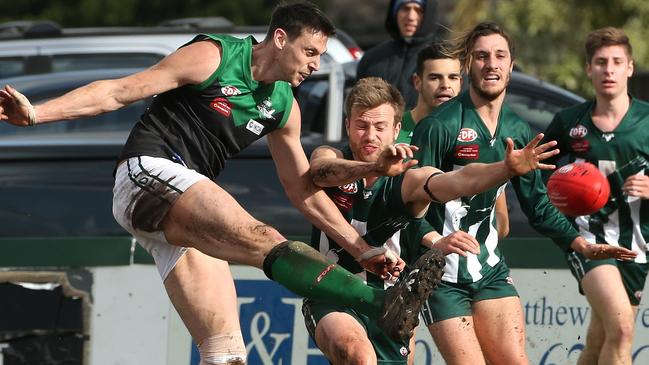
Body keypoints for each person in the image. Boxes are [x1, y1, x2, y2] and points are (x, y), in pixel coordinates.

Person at [0, 3, 444, 364]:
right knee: (263, 237)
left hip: (183, 205)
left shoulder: (284, 105)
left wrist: (359, 248)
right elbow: (120, 90)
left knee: (226, 353)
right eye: (310, 52)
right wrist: (37, 114)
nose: (315, 64)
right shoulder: (215, 55)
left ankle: (378, 303)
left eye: (319, 55)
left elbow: (302, 190)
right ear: (280, 39)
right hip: (147, 172)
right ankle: (377, 304)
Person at [410, 22, 637, 365]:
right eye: (482, 56)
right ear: (468, 64)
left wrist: (580, 244)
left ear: (512, 66)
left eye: (500, 56)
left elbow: (538, 205)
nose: (492, 64)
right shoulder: (439, 126)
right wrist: (430, 240)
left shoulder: (517, 129)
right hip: (440, 274)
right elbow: (409, 205)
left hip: (488, 269)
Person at [302, 76, 560, 365]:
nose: (370, 136)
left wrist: (505, 168)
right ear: (347, 124)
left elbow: (459, 180)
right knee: (358, 355)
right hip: (332, 293)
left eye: (380, 127)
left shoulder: (409, 177)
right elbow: (319, 170)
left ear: (396, 130)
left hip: (392, 301)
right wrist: (372, 167)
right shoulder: (331, 157)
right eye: (361, 125)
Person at [542, 27, 649, 365]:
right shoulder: (569, 122)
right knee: (621, 331)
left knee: (600, 337)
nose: (609, 70)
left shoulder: (647, 120)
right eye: (601, 62)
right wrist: (557, 188)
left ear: (630, 67)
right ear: (589, 69)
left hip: (636, 245)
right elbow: (534, 172)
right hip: (588, 240)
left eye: (617, 62)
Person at [397, 41, 510, 249]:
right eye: (434, 77)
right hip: (400, 253)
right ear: (417, 81)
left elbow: (501, 222)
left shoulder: (478, 134)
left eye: (453, 77)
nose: (445, 85)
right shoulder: (393, 131)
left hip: (458, 260)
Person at [356, 0, 439, 109]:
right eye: (405, 8)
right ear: (394, 12)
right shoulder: (372, 59)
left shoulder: (444, 59)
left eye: (419, 10)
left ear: (429, 15)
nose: (411, 17)